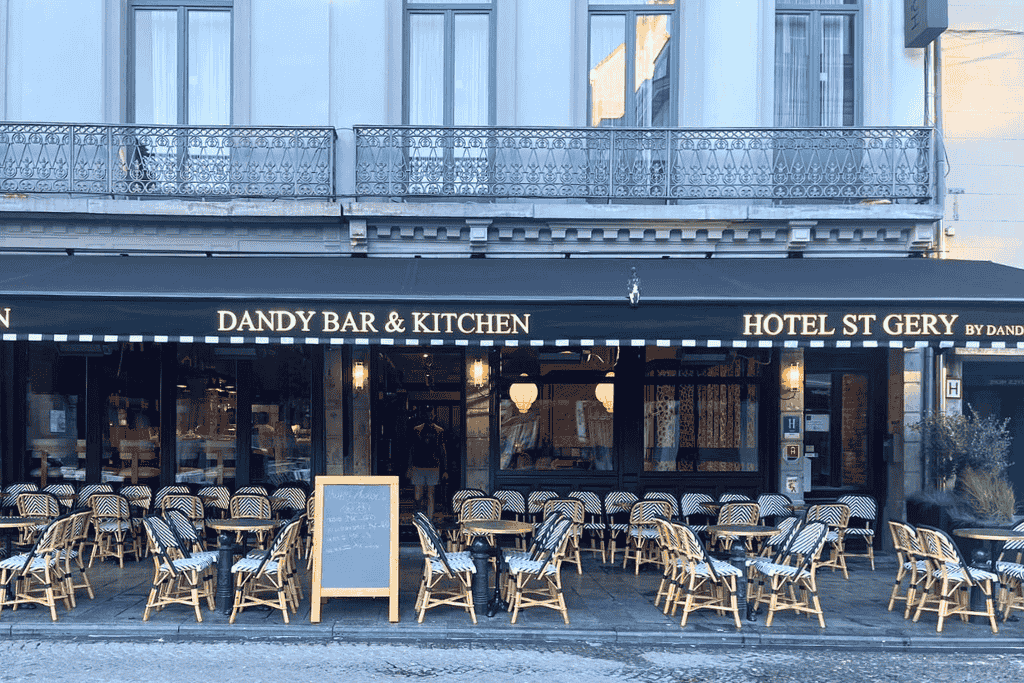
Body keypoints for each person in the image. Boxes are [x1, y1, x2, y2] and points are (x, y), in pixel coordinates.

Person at [407, 410, 447, 518]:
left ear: (434, 415)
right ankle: (419, 516)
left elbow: (442, 450)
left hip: (433, 466)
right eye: (427, 413)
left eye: (431, 413)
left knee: (431, 494)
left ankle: (429, 518)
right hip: (418, 465)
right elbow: (412, 449)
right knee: (418, 495)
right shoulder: (417, 430)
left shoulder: (439, 431)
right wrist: (410, 467)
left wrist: (445, 469)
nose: (429, 416)